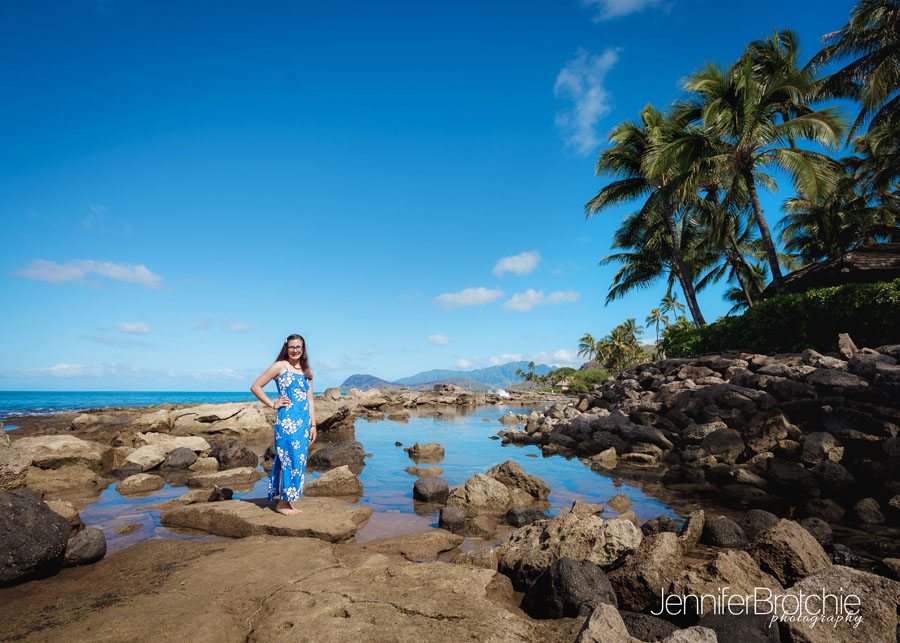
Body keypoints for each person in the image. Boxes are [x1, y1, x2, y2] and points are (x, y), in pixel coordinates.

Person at [250, 334, 317, 516]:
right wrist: (273, 403)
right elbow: (256, 386)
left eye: (299, 347)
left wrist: (313, 425)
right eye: (292, 347)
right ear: (286, 348)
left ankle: (288, 501)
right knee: (288, 460)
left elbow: (310, 399)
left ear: (303, 349)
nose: (295, 350)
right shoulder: (280, 366)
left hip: (303, 424)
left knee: (299, 461)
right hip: (287, 423)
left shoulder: (306, 370)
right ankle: (281, 504)